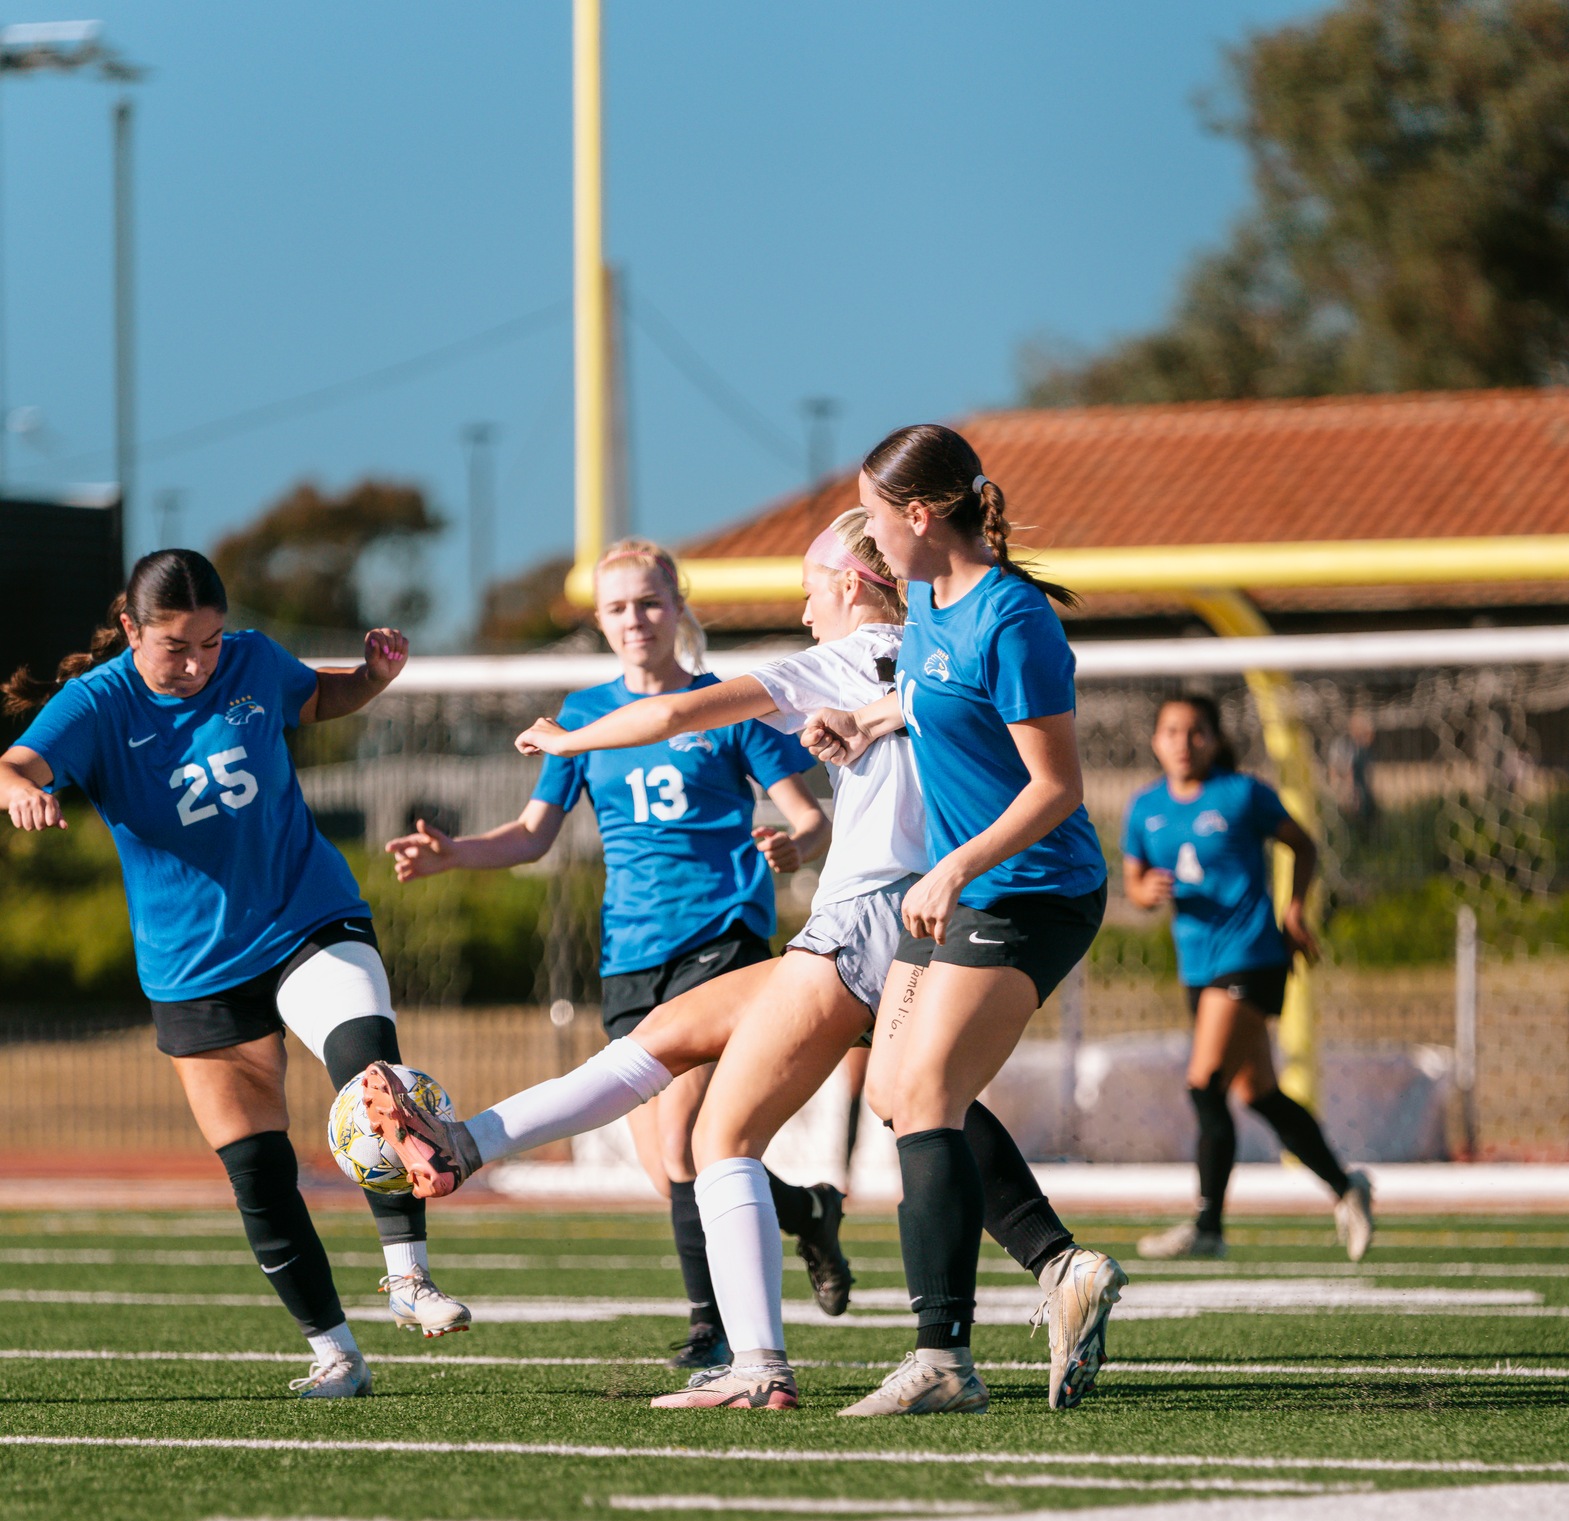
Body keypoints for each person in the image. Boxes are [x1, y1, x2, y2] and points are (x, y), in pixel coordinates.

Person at [365, 510, 1099, 1409]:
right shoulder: (937, 651)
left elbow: (678, 711)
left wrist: (567, 738)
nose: (803, 611)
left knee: (725, 1136)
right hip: (911, 908)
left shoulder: (847, 656)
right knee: (781, 1068)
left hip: (866, 913)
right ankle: (1055, 1261)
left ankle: (758, 1364)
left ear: (850, 584)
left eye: (807, 590)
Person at [0, 549, 468, 1399]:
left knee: (376, 1081)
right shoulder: (97, 702)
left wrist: (371, 678)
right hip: (194, 966)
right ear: (131, 629)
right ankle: (335, 1354)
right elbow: (15, 764)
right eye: (176, 647)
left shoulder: (252, 660)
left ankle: (409, 1274)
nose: (198, 664)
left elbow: (318, 697)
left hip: (305, 914)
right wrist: (19, 789)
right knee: (257, 1171)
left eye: (210, 642)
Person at [383, 536, 836, 1367]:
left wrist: (793, 846)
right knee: (667, 1170)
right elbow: (532, 835)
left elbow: (809, 816)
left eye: (651, 602)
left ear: (678, 606)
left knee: (684, 1142)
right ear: (599, 619)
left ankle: (712, 1329)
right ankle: (806, 1211)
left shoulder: (724, 704)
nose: (637, 619)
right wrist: (454, 852)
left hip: (721, 938)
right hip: (631, 954)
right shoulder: (585, 715)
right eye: (619, 607)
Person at [798, 424, 1127, 1418]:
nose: (866, 538)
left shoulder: (1013, 616)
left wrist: (955, 865)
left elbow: (1056, 787)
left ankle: (942, 1357)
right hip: (960, 887)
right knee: (895, 1096)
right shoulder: (931, 603)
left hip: (1032, 889)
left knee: (927, 1093)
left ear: (919, 513)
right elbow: (936, 698)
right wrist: (866, 721)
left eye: (873, 515)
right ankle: (1062, 1266)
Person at [1122, 692, 1374, 1261]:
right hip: (1197, 964)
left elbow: (1302, 844)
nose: (1184, 743)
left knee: (1204, 1082)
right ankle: (1346, 1187)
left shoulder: (1241, 794)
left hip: (1251, 954)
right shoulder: (1144, 808)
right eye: (1171, 731)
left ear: (1215, 739)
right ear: (1155, 741)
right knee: (1256, 1092)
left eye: (1196, 731)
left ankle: (1208, 1227)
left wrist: (1294, 910)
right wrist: (1144, 891)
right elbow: (1134, 882)